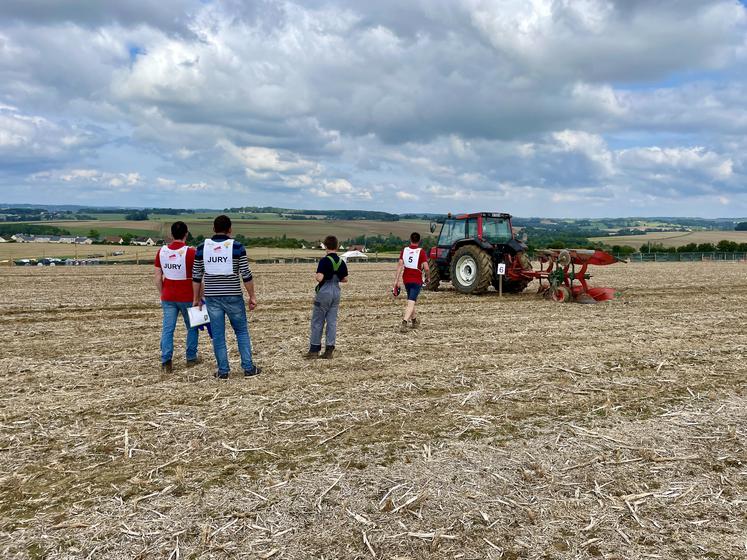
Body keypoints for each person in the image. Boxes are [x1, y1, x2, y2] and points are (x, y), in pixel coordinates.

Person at [192, 215, 260, 379]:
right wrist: (252, 296)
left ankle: (223, 371)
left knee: (218, 335)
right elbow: (246, 274)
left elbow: (196, 276)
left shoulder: (201, 248)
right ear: (230, 229)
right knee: (242, 332)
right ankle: (248, 368)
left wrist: (196, 299)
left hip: (213, 298)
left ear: (213, 229)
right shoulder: (237, 247)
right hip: (234, 296)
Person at [154, 221, 200, 372]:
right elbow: (199, 278)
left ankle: (166, 361)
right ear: (186, 234)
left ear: (171, 235)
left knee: (168, 329)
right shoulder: (192, 252)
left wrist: (163, 294)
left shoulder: (161, 252)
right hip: (188, 297)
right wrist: (199, 297)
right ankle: (191, 358)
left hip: (168, 296)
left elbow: (157, 277)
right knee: (192, 327)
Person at [305, 235, 348, 359]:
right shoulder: (341, 261)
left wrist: (319, 276)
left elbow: (320, 278)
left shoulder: (324, 261)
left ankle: (314, 350)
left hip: (324, 292)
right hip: (336, 291)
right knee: (332, 322)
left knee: (317, 321)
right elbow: (345, 279)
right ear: (337, 246)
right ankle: (329, 349)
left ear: (325, 246)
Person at [392, 232, 430, 331]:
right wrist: (428, 277)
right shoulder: (421, 252)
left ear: (410, 240)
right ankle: (404, 322)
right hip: (416, 280)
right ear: (419, 241)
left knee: (410, 300)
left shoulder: (405, 250)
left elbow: (400, 266)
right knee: (411, 302)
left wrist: (396, 281)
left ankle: (414, 321)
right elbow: (426, 268)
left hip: (406, 279)